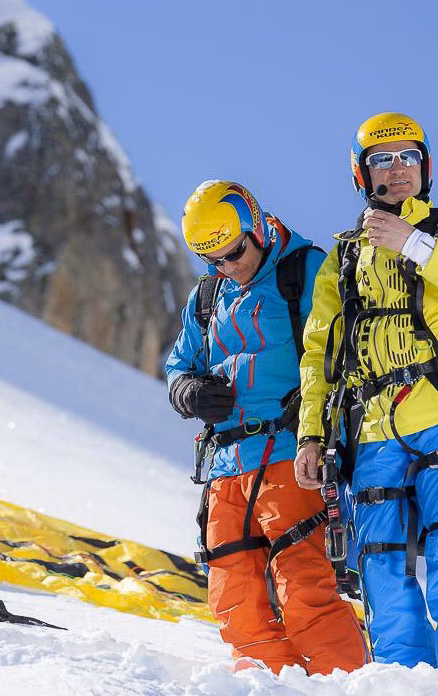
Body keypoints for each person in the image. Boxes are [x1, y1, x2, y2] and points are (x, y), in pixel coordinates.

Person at [293, 112, 438, 669]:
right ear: (361, 175)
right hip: (369, 432)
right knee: (381, 567)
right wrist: (311, 436)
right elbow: (319, 355)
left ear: (426, 166)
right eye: (382, 159)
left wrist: (416, 244)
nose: (398, 169)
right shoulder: (342, 258)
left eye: (408, 157)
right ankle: (402, 681)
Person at [165, 180, 369, 675]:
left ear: (254, 224)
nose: (228, 265)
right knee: (235, 601)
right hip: (225, 464)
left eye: (235, 251)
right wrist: (187, 391)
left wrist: (320, 418)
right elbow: (178, 364)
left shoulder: (305, 271)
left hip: (291, 457)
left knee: (305, 590)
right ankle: (271, 687)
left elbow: (342, 350)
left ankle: (347, 685)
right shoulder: (208, 296)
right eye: (214, 259)